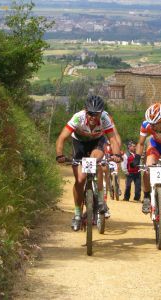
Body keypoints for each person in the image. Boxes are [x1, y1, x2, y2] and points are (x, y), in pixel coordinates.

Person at [55, 95, 122, 231]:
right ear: (85, 111)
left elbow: (113, 139)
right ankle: (77, 214)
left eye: (96, 114)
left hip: (97, 142)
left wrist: (116, 155)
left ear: (101, 113)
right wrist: (59, 155)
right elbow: (62, 137)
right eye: (90, 113)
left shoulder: (104, 118)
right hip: (79, 143)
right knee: (80, 179)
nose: (93, 117)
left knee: (95, 162)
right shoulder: (77, 117)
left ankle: (101, 202)